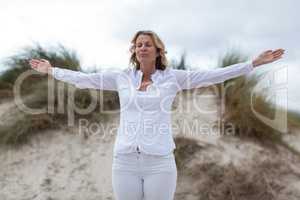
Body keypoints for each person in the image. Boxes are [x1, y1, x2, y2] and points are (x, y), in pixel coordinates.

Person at [29, 30, 284, 200]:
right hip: (124, 162)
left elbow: (213, 74)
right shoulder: (121, 77)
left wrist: (251, 64)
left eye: (147, 44)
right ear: (134, 51)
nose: (142, 47)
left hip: (160, 163)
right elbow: (84, 80)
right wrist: (52, 70)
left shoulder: (173, 78)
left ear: (158, 50)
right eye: (138, 44)